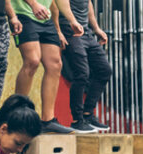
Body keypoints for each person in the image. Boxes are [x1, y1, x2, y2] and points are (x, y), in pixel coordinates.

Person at [12, 0, 87, 133]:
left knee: (55, 64)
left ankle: (48, 120)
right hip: (23, 15)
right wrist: (34, 4)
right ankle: (17, 116)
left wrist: (72, 21)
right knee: (32, 61)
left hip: (45, 19)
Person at [59, 0, 111, 132]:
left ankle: (88, 114)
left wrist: (97, 29)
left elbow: (87, 4)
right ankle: (77, 120)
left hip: (85, 31)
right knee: (82, 73)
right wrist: (70, 23)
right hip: (70, 28)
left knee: (104, 70)